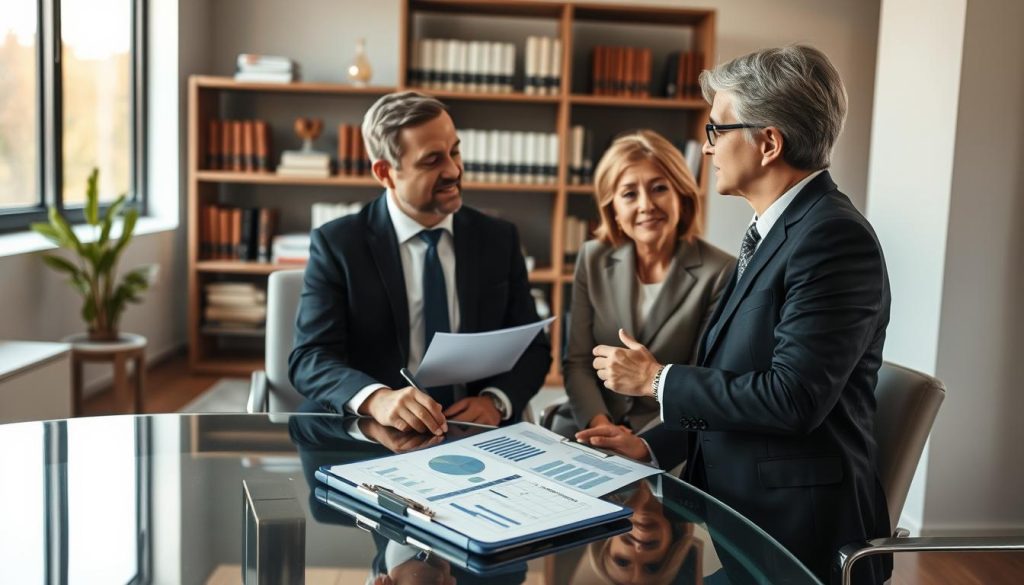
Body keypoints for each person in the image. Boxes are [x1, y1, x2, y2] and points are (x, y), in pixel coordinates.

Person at [577, 46, 892, 585]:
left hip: (796, 549)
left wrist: (655, 380)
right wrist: (652, 444)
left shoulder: (832, 238)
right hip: (742, 519)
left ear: (768, 142)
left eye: (717, 130)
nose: (706, 147)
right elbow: (737, 383)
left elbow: (791, 399)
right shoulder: (775, 233)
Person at [288, 91, 551, 434]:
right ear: (386, 173)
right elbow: (310, 359)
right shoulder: (339, 245)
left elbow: (533, 348)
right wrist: (376, 398)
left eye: (455, 151)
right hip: (372, 431)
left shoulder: (499, 239)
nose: (454, 170)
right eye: (432, 161)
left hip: (470, 429)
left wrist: (495, 400)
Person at [557, 130, 734, 438]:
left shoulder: (720, 272)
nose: (646, 205)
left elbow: (702, 381)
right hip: (593, 427)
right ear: (612, 208)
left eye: (659, 188)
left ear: (682, 193)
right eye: (629, 194)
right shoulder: (592, 258)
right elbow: (578, 363)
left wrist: (646, 442)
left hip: (670, 436)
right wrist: (600, 425)